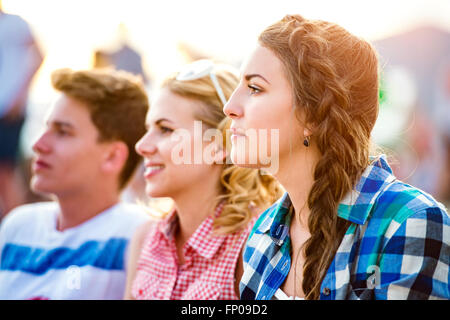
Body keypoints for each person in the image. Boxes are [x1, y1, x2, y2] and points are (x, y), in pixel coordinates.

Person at [224, 14, 449, 300]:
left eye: (255, 88)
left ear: (313, 114)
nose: (229, 107)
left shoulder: (409, 222)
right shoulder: (263, 234)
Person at [124, 60, 283, 300]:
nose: (142, 146)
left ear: (219, 144)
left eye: (165, 129)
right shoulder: (145, 237)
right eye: (148, 129)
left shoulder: (254, 243)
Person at [0, 68, 150, 300]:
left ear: (112, 156)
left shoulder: (138, 235)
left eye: (62, 132)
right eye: (45, 127)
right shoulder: (18, 226)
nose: (39, 144)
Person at [0, 3, 44, 218]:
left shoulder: (16, 24)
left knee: (5, 171)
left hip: (9, 109)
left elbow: (39, 54)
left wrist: (20, 94)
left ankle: (16, 225)